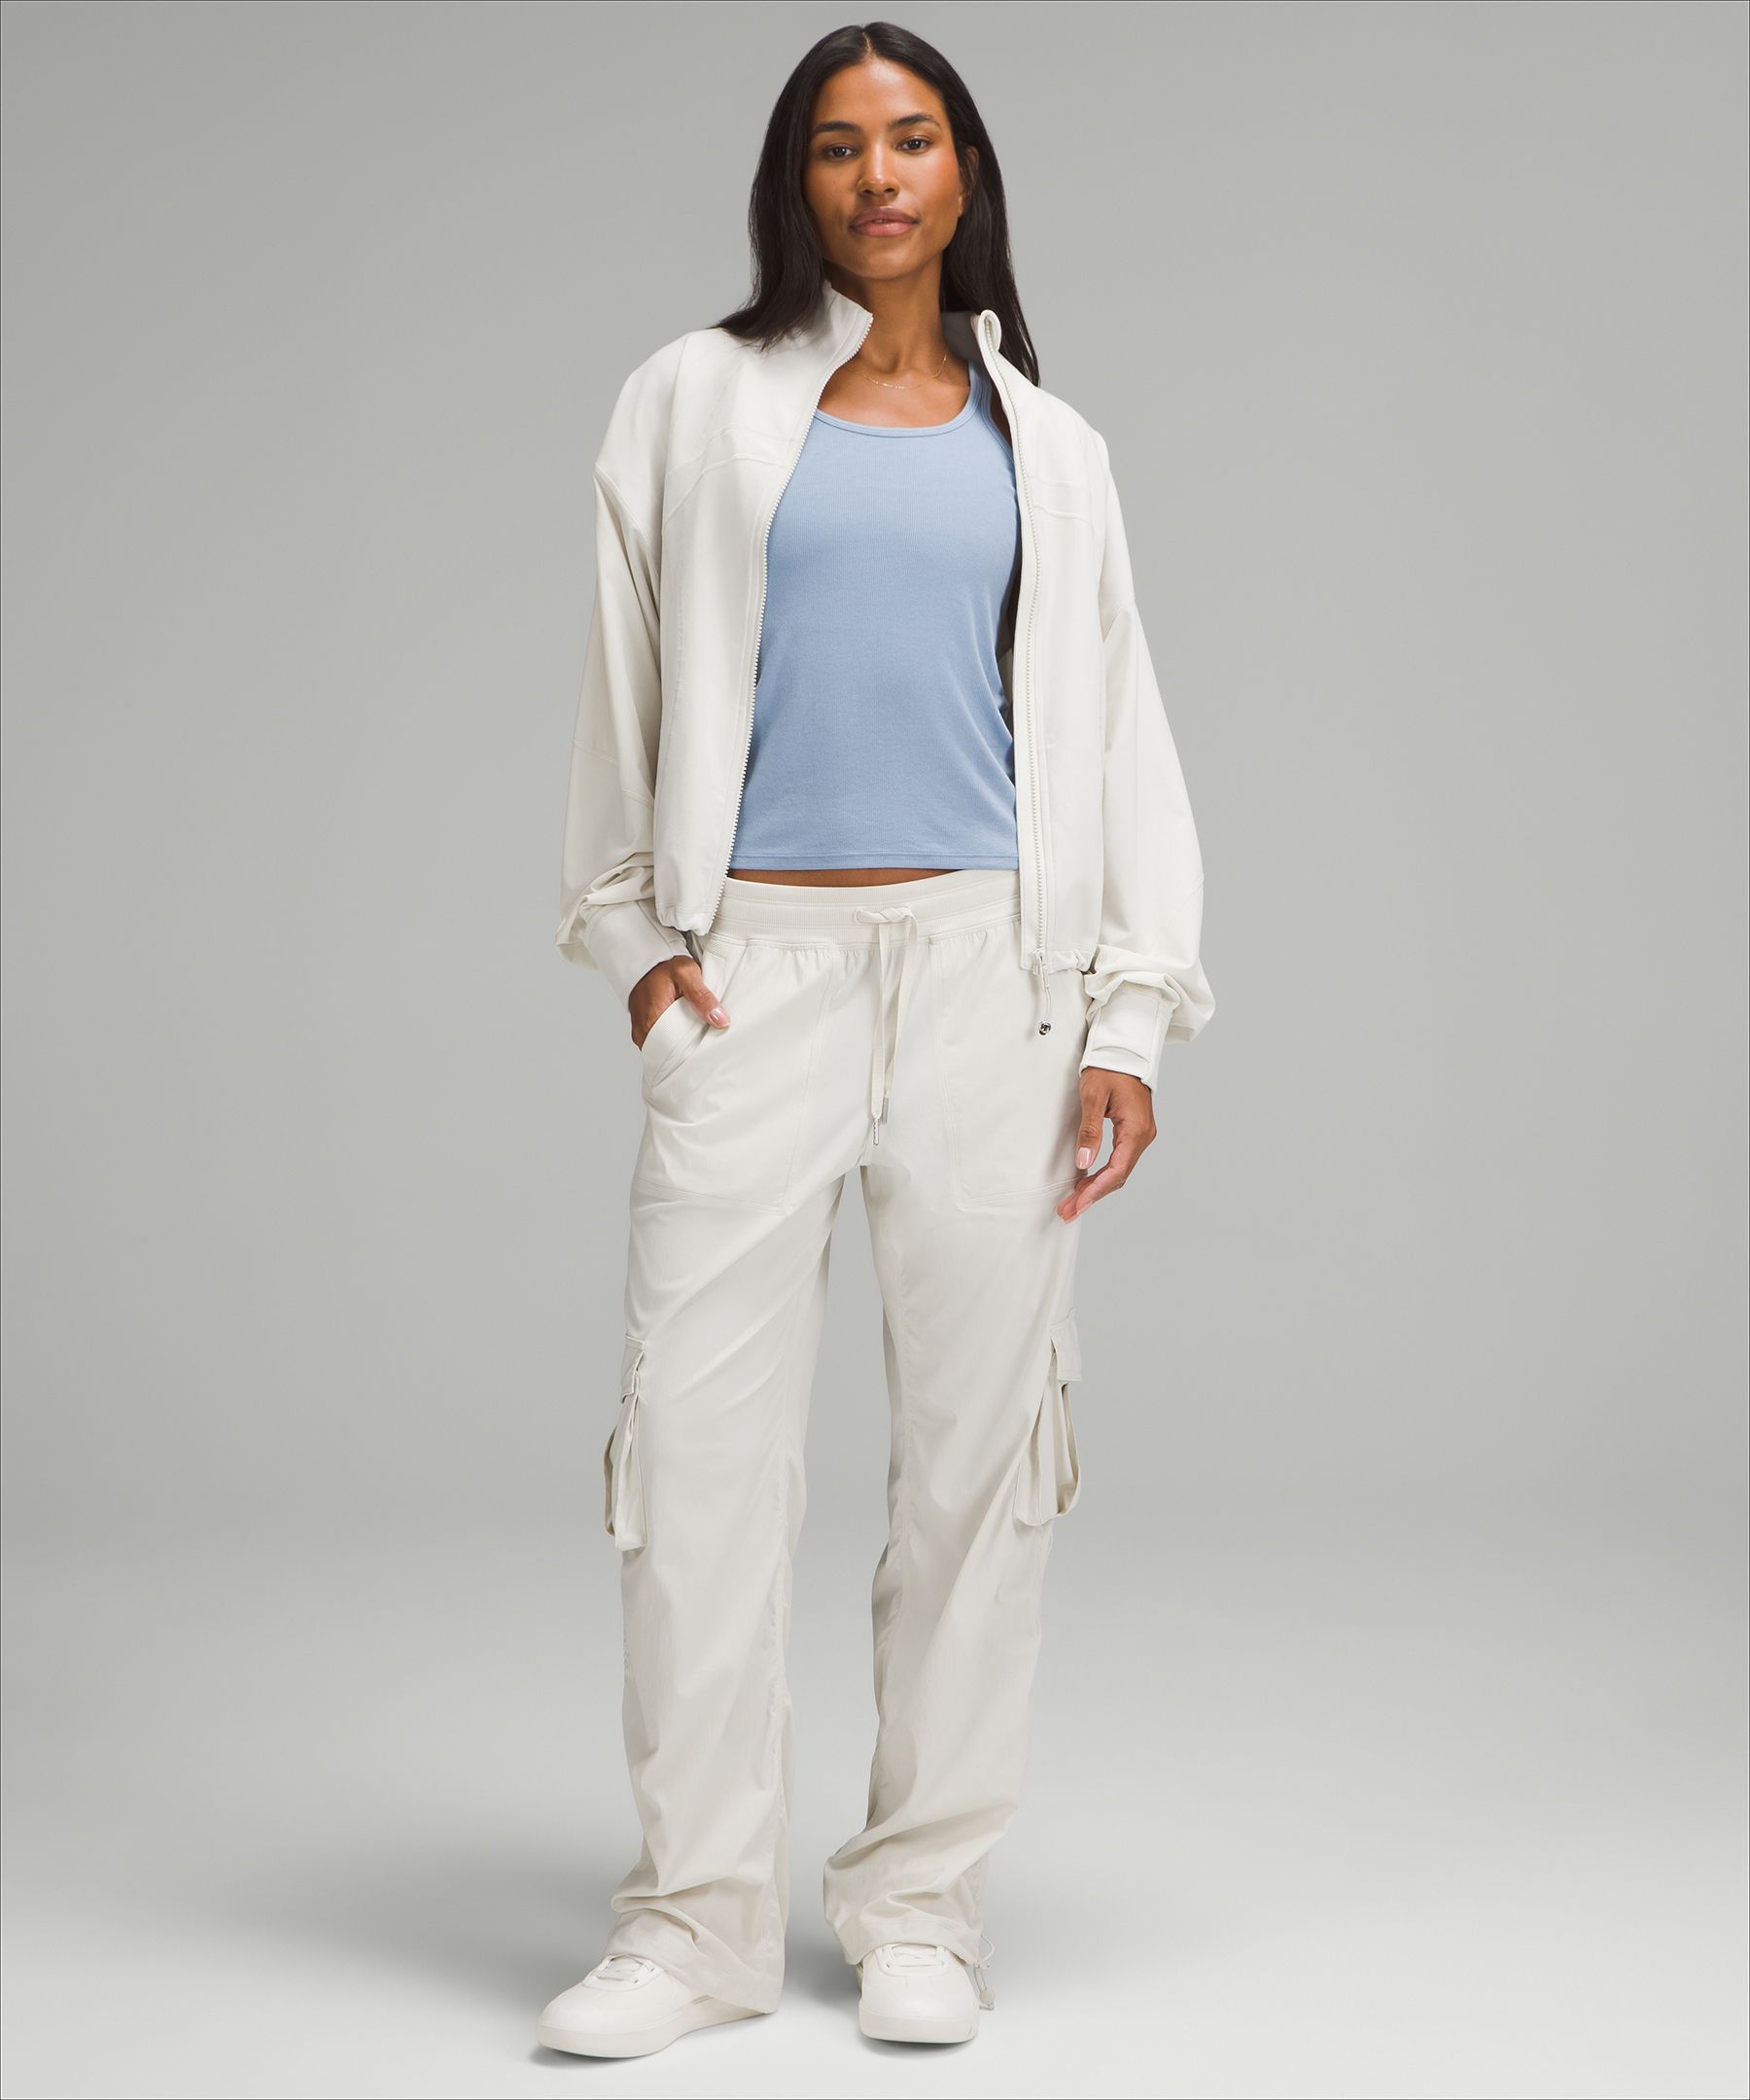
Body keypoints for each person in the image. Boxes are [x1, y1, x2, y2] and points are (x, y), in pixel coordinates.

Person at [537, 20, 1214, 2060]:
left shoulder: (1053, 448)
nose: (879, 176)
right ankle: (695, 1925)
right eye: (839, 146)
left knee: (979, 1471)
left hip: (995, 982)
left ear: (966, 170)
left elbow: (1119, 736)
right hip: (756, 977)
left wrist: (1127, 1018)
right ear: (797, 182)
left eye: (913, 139)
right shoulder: (690, 400)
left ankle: (921, 1902)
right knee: (697, 1460)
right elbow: (622, 680)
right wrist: (640, 945)